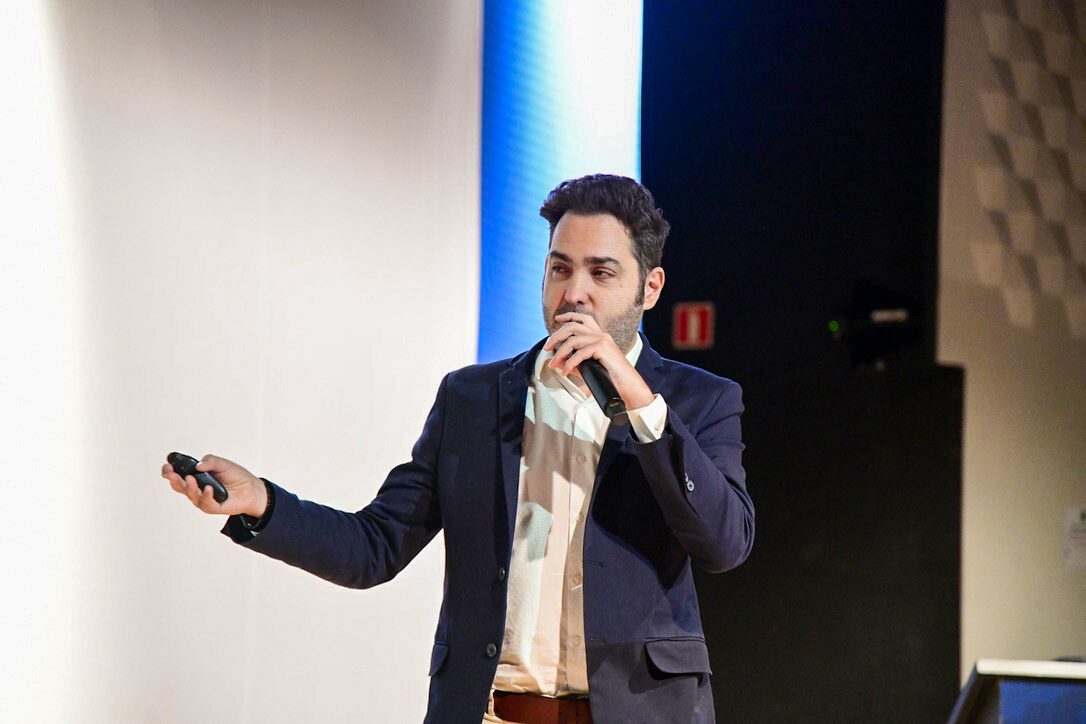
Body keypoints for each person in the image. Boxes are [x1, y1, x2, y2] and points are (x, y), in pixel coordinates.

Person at [162, 174, 754, 723]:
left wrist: (640, 402)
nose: (574, 293)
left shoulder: (699, 401)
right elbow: (375, 545)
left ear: (649, 287)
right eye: (560, 268)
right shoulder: (472, 398)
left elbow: (725, 543)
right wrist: (262, 503)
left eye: (601, 274)